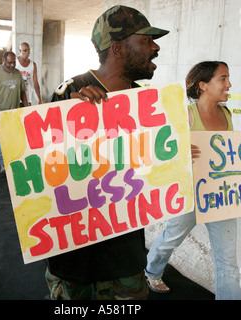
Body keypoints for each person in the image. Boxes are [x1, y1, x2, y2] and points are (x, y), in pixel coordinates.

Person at [45, 5, 169, 300]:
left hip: (124, 259)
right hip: (74, 261)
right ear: (117, 47)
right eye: (146, 40)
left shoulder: (147, 104)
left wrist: (177, 158)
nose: (156, 47)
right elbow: (42, 172)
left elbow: (154, 171)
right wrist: (67, 116)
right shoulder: (68, 93)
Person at [145, 61, 241, 300]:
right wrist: (180, 152)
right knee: (171, 238)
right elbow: (160, 153)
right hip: (190, 195)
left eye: (228, 79)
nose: (229, 84)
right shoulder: (186, 114)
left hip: (221, 197)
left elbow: (232, 155)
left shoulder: (226, 114)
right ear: (203, 85)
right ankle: (152, 271)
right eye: (223, 79)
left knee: (227, 260)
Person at [0, 51, 28, 172]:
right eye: (9, 63)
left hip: (14, 114)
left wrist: (26, 109)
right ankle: (3, 163)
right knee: (1, 141)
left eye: (14, 62)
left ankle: (14, 161)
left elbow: (23, 93)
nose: (12, 65)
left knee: (14, 139)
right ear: (3, 61)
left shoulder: (17, 73)